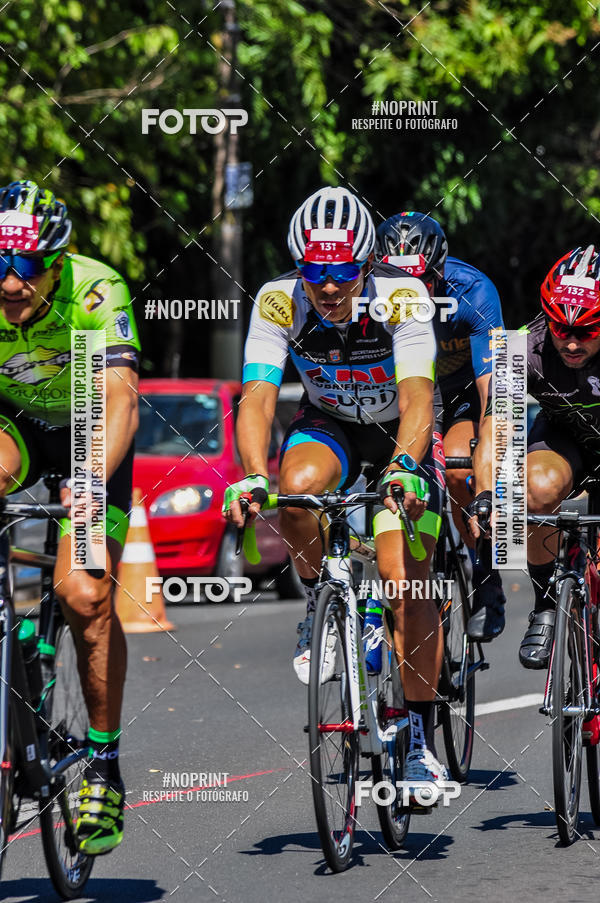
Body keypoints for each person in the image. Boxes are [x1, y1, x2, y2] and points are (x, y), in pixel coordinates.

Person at [223, 186, 450, 790]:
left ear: (369, 262)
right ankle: (323, 603)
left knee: (406, 585)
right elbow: (258, 396)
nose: (327, 287)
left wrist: (404, 467)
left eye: (344, 271)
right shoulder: (278, 301)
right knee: (294, 491)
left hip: (399, 434)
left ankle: (419, 738)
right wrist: (251, 472)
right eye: (314, 271)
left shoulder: (402, 296)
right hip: (330, 428)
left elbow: (418, 398)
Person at [0, 180, 140, 853]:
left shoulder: (95, 290)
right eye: (0, 261)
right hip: (18, 426)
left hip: (91, 424)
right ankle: (14, 641)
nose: (11, 281)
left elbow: (120, 401)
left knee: (84, 594)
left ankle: (105, 765)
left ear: (56, 261)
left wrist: (88, 480)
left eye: (27, 265)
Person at [376, 211, 506, 642]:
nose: (412, 292)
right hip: (400, 395)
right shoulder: (366, 291)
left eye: (422, 282)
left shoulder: (472, 290)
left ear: (439, 271)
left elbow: (496, 394)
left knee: (456, 470)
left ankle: (485, 573)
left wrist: (488, 480)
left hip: (458, 396)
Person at [472, 244, 600, 668]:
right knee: (534, 491)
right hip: (565, 440)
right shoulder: (520, 349)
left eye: (587, 331)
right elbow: (497, 427)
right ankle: (545, 601)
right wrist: (488, 492)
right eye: (561, 329)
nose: (572, 342)